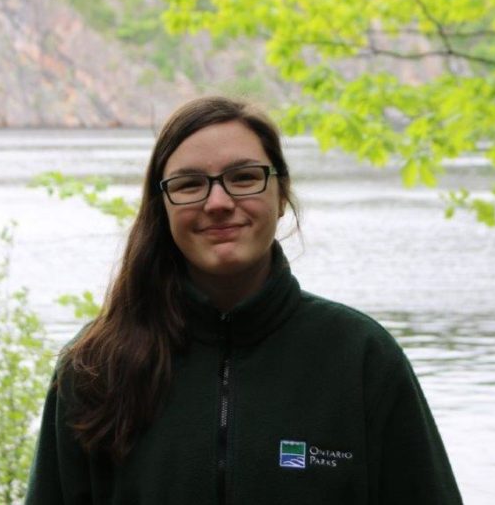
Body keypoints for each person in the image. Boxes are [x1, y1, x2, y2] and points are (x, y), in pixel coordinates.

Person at [25, 96, 462, 505]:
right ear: (162, 207)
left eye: (244, 178)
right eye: (190, 183)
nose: (218, 202)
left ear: (282, 194)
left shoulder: (361, 359)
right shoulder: (95, 367)